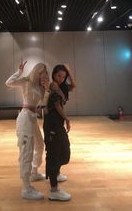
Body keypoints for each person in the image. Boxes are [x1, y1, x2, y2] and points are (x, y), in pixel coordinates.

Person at [5, 60, 50, 200]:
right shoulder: (26, 82)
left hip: (33, 118)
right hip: (25, 118)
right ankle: (26, 188)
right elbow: (9, 83)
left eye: (44, 73)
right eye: (40, 72)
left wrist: (47, 88)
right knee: (27, 151)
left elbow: (47, 103)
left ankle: (34, 172)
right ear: (36, 71)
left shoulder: (42, 87)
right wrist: (19, 72)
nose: (42, 75)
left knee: (40, 145)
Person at [44, 64, 76, 201]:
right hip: (52, 125)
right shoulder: (54, 87)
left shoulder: (62, 87)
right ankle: (54, 190)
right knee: (54, 154)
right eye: (59, 76)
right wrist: (67, 119)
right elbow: (57, 105)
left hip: (58, 124)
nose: (61, 79)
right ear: (53, 75)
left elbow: (73, 85)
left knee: (64, 152)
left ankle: (55, 173)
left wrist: (69, 71)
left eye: (64, 76)